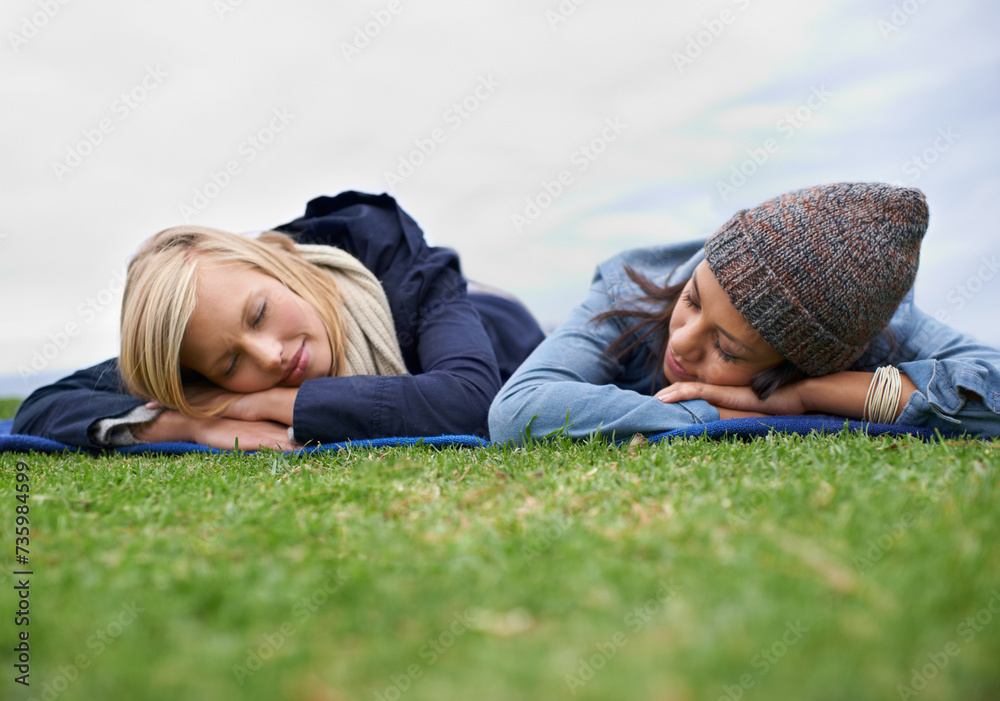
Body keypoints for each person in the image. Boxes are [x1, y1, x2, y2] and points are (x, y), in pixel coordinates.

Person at [14, 191, 545, 450]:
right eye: (230, 362)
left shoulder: (400, 262)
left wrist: (259, 402)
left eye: (260, 313)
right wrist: (194, 422)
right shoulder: (196, 342)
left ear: (276, 265)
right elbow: (41, 410)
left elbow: (469, 401)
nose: (270, 355)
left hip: (495, 320)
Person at [489, 182, 1000, 444]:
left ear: (806, 360)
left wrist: (806, 398)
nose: (685, 342)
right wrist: (720, 414)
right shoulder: (632, 286)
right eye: (692, 302)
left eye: (726, 350)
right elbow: (520, 412)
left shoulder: (879, 329)